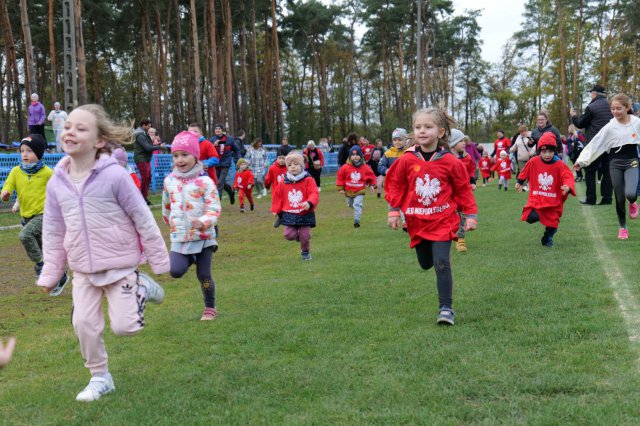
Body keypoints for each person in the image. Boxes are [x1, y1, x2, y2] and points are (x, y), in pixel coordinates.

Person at [37, 104, 169, 402]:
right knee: (83, 324)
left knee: (126, 328)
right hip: (82, 268)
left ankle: (142, 286)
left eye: (80, 128)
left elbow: (142, 217)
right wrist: (50, 272)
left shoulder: (115, 177)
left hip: (120, 266)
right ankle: (100, 377)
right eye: (67, 126)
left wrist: (160, 259)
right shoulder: (57, 182)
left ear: (99, 141)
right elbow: (53, 230)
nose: (70, 131)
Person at [384, 107, 477, 325]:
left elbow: (463, 189)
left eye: (428, 127)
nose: (422, 131)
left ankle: (446, 308)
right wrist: (393, 210)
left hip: (443, 220)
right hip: (416, 221)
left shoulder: (451, 162)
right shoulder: (406, 160)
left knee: (442, 263)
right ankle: (426, 257)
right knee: (426, 263)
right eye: (418, 127)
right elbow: (396, 185)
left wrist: (470, 215)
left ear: (441, 132)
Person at [1, 134, 70, 295]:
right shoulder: (16, 171)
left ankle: (41, 267)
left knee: (25, 235)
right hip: (26, 217)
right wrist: (6, 195)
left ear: (38, 154)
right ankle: (61, 276)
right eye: (22, 151)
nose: (24, 154)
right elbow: (8, 188)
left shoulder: (47, 172)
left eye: (29, 151)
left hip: (45, 215)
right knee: (45, 250)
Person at [162, 131, 221, 320]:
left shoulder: (205, 182)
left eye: (185, 155)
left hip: (204, 237)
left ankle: (209, 307)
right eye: (176, 155)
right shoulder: (169, 181)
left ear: (196, 156)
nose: (180, 160)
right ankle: (190, 257)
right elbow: (166, 205)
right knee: (175, 271)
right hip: (180, 236)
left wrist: (203, 222)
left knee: (204, 275)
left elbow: (214, 208)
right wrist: (169, 220)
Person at [574, 93, 640, 240]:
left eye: (619, 108)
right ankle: (623, 227)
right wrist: (582, 161)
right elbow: (596, 143)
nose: (615, 112)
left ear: (627, 108)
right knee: (619, 197)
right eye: (612, 109)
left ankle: (633, 202)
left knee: (630, 193)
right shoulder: (610, 126)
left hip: (632, 161)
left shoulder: (636, 122)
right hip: (615, 163)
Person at [516, 132, 576, 246]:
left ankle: (547, 238)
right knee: (530, 218)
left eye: (550, 151)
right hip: (538, 197)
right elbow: (525, 171)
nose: (547, 154)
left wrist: (567, 186)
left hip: (554, 200)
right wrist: (519, 182)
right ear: (540, 151)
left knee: (553, 223)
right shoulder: (534, 161)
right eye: (544, 152)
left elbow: (568, 176)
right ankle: (530, 211)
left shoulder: (559, 164)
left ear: (555, 151)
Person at [571, 84, 614, 205]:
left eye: (591, 93)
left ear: (594, 93)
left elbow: (580, 123)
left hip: (595, 144)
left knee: (590, 171)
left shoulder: (591, 107)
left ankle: (591, 199)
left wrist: (573, 116)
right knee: (607, 171)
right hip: (610, 143)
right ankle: (607, 198)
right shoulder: (611, 105)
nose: (591, 95)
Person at [272, 151, 319, 260]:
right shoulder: (283, 182)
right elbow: (278, 196)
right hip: (290, 213)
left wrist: (309, 202)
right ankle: (299, 238)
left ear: (302, 165)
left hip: (305, 213)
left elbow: (314, 193)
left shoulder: (308, 180)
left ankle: (305, 252)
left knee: (305, 235)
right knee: (288, 235)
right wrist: (276, 210)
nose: (292, 167)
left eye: (296, 164)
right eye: (289, 165)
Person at [449, 129, 476, 252]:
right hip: (447, 195)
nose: (464, 143)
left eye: (464, 140)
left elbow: (471, 170)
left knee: (462, 216)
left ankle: (460, 240)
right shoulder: (445, 159)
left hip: (462, 193)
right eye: (460, 141)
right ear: (452, 143)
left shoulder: (467, 157)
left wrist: (472, 182)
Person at [336, 145, 376, 228]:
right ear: (350, 156)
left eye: (357, 155)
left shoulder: (365, 167)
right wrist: (340, 188)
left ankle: (356, 221)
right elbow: (340, 177)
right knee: (351, 204)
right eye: (353, 155)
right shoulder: (345, 167)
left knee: (357, 204)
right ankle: (356, 207)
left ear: (361, 156)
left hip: (359, 191)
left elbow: (371, 176)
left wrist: (372, 185)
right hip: (348, 191)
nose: (355, 157)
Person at [210, 124, 239, 204]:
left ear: (222, 130)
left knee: (219, 183)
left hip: (226, 163)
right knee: (221, 182)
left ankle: (217, 202)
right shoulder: (212, 139)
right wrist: (213, 145)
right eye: (216, 129)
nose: (217, 130)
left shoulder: (229, 139)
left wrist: (237, 159)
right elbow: (209, 150)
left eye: (219, 129)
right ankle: (231, 192)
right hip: (216, 163)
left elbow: (237, 150)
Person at [133, 118, 154, 205]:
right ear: (143, 125)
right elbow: (147, 147)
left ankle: (144, 197)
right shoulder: (140, 134)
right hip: (141, 159)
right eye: (148, 126)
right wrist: (160, 147)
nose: (149, 127)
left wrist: (156, 145)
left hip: (145, 159)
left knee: (148, 178)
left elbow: (149, 145)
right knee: (145, 178)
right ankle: (141, 199)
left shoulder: (144, 134)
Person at [265, 154, 288, 227]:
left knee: (286, 206)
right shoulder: (272, 168)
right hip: (276, 191)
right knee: (277, 207)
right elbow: (268, 179)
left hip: (287, 191)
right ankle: (281, 218)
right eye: (280, 158)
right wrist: (267, 186)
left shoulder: (289, 167)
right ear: (277, 159)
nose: (281, 160)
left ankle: (286, 220)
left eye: (283, 158)